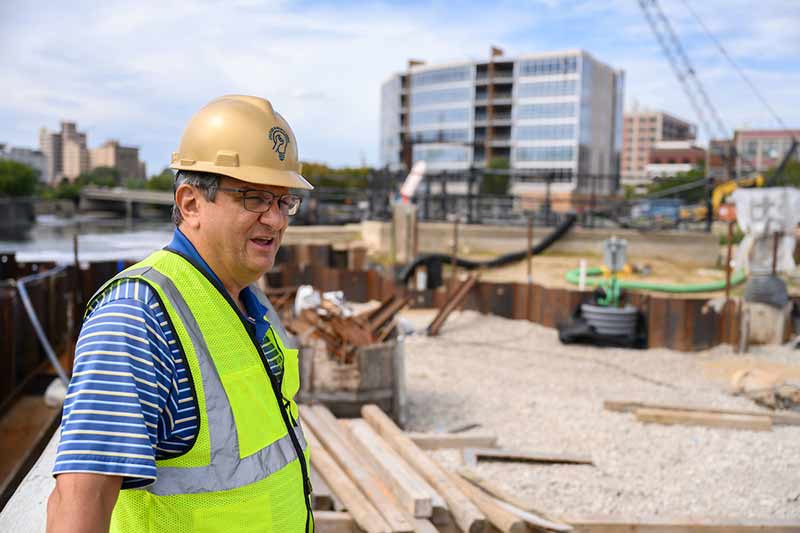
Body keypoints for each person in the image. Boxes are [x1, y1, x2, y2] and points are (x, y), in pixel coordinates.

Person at [46, 95, 315, 533]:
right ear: (190, 204)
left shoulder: (249, 300)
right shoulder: (137, 317)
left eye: (284, 202)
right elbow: (78, 502)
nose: (277, 220)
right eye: (255, 198)